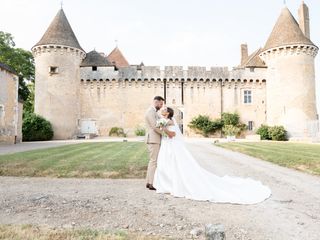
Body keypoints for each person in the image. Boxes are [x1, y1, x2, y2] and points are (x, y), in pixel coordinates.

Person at [153, 107, 271, 204]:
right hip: (167, 145)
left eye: (164, 109)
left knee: (175, 164)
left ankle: (173, 185)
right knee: (167, 163)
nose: (162, 109)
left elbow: (172, 134)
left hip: (171, 145)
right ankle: (168, 184)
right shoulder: (165, 120)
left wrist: (163, 128)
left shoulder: (169, 121)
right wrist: (162, 128)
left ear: (167, 113)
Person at [144, 96, 175, 190]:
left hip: (155, 139)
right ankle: (151, 183)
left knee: (153, 161)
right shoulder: (150, 112)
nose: (161, 106)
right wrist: (166, 134)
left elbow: (161, 122)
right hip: (153, 139)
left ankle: (149, 182)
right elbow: (155, 126)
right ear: (156, 102)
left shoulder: (154, 112)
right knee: (154, 161)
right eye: (160, 104)